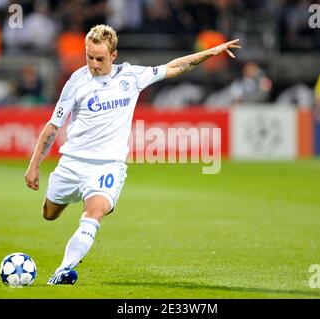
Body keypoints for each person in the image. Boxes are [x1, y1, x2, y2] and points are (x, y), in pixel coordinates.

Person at [24, 24, 240, 285]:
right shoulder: (76, 82)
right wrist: (34, 165)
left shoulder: (131, 77)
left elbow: (176, 67)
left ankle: (64, 270)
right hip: (72, 163)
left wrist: (212, 51)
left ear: (113, 55)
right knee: (49, 213)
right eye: (89, 57)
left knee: (94, 212)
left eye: (100, 59)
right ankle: (69, 203)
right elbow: (53, 126)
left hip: (108, 166)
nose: (93, 64)